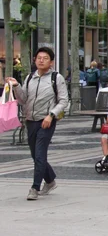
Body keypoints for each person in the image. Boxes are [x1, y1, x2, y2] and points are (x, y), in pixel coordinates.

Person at [6, 47, 69, 201]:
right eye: (39, 57)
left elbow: (63, 100)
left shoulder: (56, 78)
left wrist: (51, 115)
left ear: (51, 62)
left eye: (45, 58)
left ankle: (35, 187)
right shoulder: (30, 78)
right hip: (30, 120)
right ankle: (50, 180)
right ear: (35, 60)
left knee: (40, 154)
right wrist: (16, 86)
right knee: (36, 155)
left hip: (46, 120)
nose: (41, 60)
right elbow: (23, 99)